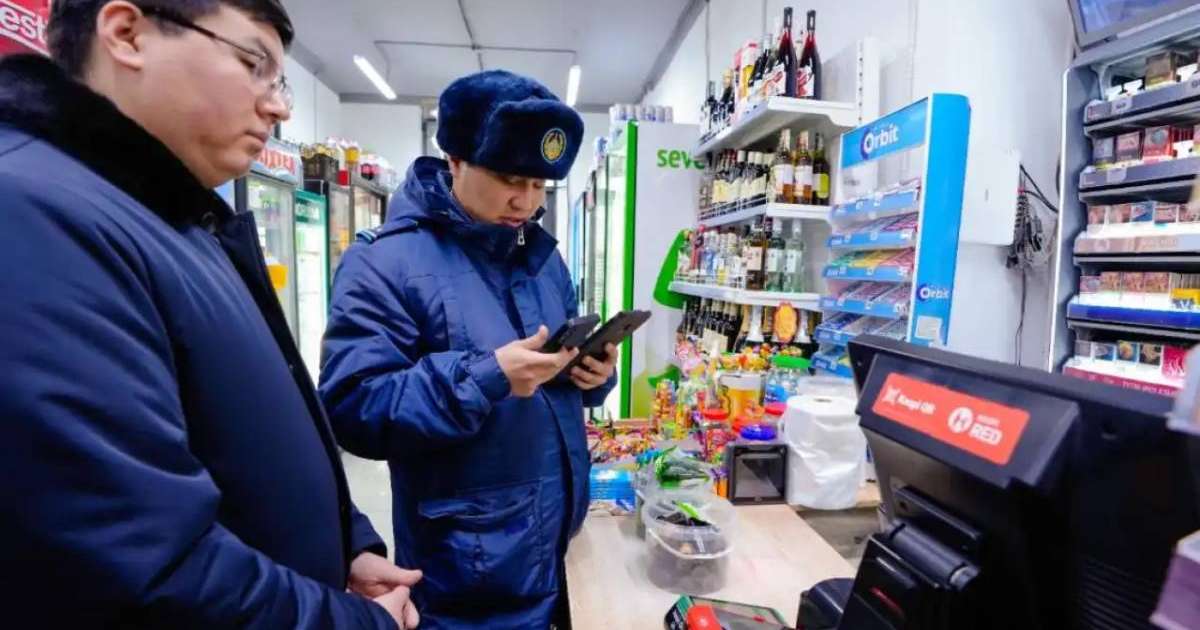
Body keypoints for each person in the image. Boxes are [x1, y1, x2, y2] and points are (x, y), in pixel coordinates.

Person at [0, 1, 421, 627]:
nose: (278, 107)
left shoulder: (170, 214)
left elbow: (243, 431)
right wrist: (357, 623)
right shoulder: (33, 212)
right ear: (127, 33)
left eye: (279, 82)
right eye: (254, 64)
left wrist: (345, 544)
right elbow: (139, 560)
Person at [320, 70, 618, 628]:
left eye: (540, 186)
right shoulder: (383, 264)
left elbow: (553, 379)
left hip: (555, 556)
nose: (525, 202)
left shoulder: (543, 257)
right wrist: (486, 377)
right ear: (454, 160)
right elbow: (354, 408)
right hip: (464, 580)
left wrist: (592, 374)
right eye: (509, 178)